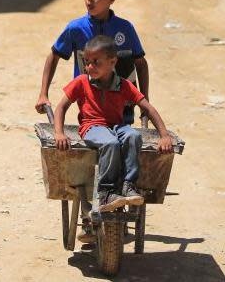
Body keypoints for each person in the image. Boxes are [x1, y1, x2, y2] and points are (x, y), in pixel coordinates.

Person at [52, 35, 174, 214]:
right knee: (111, 143)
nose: (89, 67)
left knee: (133, 136)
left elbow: (148, 108)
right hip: (91, 127)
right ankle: (106, 192)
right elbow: (61, 107)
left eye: (96, 62)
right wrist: (59, 133)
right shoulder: (81, 82)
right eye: (87, 62)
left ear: (112, 62)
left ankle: (127, 185)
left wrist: (164, 136)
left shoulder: (123, 85)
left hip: (116, 127)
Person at [35, 0, 150, 116]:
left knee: (126, 136)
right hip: (89, 104)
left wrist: (144, 99)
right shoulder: (76, 28)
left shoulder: (125, 28)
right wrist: (43, 94)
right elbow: (54, 56)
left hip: (122, 104)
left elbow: (140, 63)